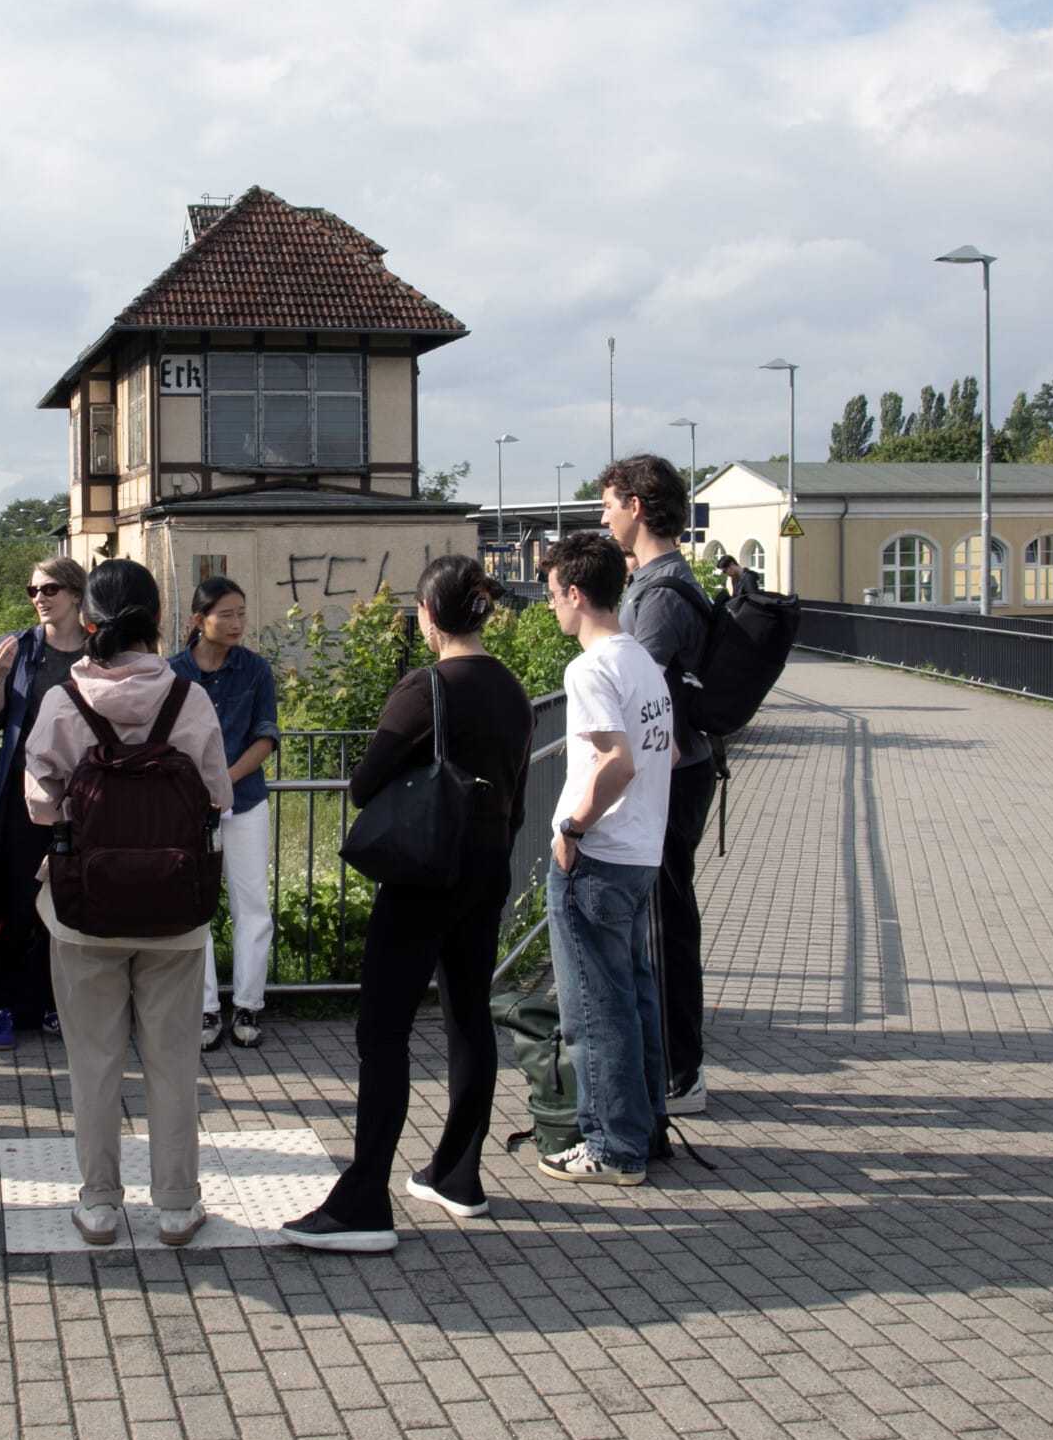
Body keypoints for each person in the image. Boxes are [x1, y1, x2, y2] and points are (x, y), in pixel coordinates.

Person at [282, 557, 532, 1251]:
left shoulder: (427, 687)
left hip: (425, 874)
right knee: (469, 1017)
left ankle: (364, 1202)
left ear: (427, 615)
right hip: (488, 867)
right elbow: (513, 787)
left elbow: (364, 786)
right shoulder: (511, 688)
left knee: (384, 1031)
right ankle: (458, 1176)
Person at [22, 559, 233, 1248]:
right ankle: (176, 1206)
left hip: (83, 909)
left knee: (94, 1062)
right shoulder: (188, 700)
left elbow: (38, 804)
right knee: (173, 1063)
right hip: (176, 910)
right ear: (159, 617)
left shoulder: (65, 700)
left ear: (89, 623)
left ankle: (99, 1206)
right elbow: (218, 797)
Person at [539, 530, 676, 1185]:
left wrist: (573, 826)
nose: (549, 607)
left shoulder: (589, 668)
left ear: (575, 593)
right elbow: (667, 751)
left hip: (598, 855)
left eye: (551, 595)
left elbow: (618, 762)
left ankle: (612, 1145)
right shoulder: (642, 660)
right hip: (641, 850)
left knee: (594, 1008)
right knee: (634, 995)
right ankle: (645, 1129)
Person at [598, 455, 715, 1114]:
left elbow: (630, 690)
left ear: (637, 506)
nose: (604, 518)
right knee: (663, 919)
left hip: (673, 777)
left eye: (609, 504)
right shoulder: (659, 581)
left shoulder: (660, 594)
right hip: (681, 771)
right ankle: (672, 1065)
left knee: (666, 926)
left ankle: (678, 1072)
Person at [0, 555, 88, 1050]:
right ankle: (2, 1006)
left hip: (85, 797)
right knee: (18, 901)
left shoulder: (98, 650)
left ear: (76, 594)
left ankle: (59, 1006)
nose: (39, 599)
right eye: (33, 590)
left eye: (49, 589)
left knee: (75, 902)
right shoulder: (18, 647)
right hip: (24, 797)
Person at [168, 576, 280, 1051]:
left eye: (241, 613)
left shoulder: (255, 669)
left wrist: (225, 781)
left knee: (252, 905)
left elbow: (266, 737)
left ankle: (249, 1005)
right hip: (188, 805)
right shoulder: (172, 673)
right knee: (195, 907)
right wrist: (201, 788)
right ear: (200, 620)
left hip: (246, 799)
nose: (237, 623)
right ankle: (205, 1008)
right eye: (226, 615)